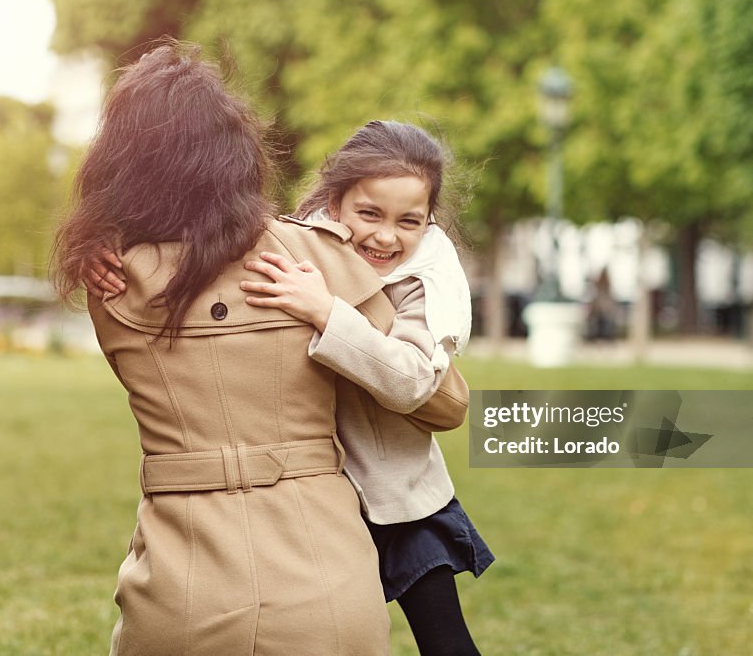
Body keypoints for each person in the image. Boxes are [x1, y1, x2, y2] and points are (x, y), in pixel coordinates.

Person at [50, 41, 463, 655]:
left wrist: (97, 239)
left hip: (176, 587)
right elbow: (443, 402)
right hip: (324, 578)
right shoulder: (320, 258)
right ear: (236, 152)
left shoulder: (109, 281)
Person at [240, 121, 494, 656]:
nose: (386, 236)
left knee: (448, 645)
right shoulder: (296, 253)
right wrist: (112, 254)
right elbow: (210, 247)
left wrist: (326, 312)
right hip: (312, 502)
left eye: (409, 221)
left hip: (399, 502)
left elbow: (409, 381)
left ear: (429, 222)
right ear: (335, 202)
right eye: (369, 214)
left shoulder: (422, 283)